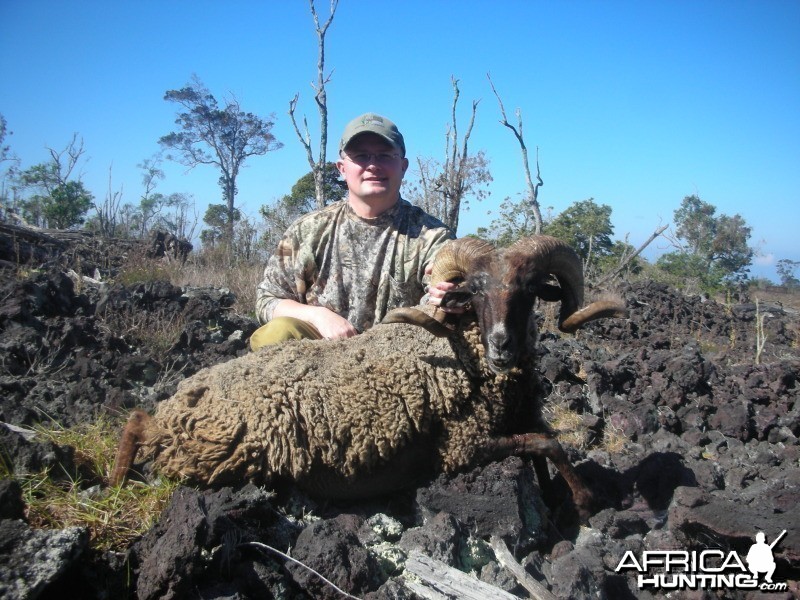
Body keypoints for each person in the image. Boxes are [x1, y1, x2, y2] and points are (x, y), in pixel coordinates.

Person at [251, 113, 456, 350]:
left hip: (398, 357)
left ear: (403, 166)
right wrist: (318, 316)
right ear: (342, 168)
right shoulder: (307, 230)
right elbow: (267, 300)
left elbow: (441, 294)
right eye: (361, 156)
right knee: (274, 334)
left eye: (385, 155)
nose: (373, 165)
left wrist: (445, 296)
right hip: (318, 356)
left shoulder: (432, 235)